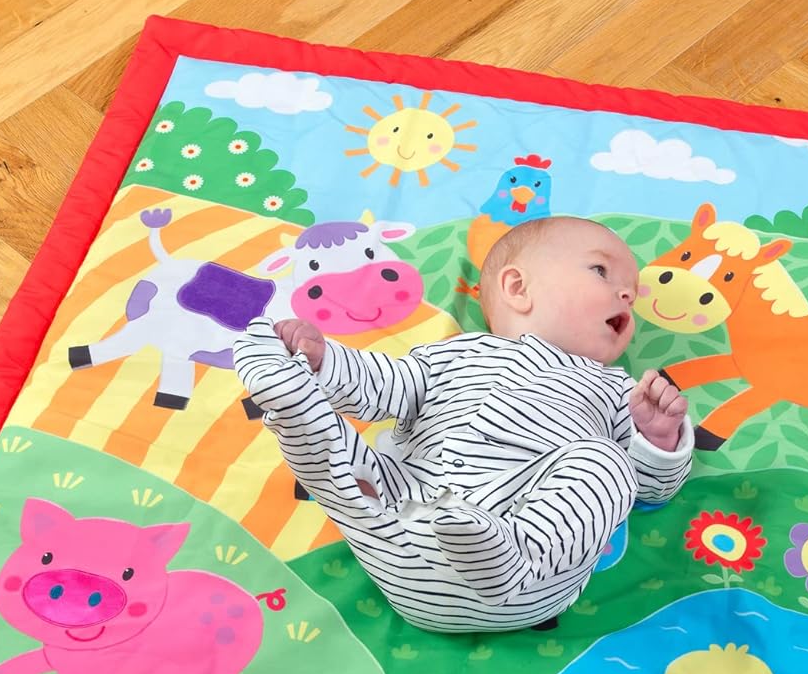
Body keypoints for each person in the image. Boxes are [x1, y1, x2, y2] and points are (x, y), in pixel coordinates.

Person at [233, 216, 694, 633]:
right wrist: (324, 360)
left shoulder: (616, 389)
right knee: (359, 461)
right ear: (518, 288)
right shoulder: (453, 354)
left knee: (606, 463)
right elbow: (382, 386)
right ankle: (297, 399)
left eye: (631, 291)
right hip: (405, 532)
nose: (628, 295)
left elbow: (648, 488)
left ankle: (509, 555)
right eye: (601, 271)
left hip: (524, 570)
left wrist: (658, 438)